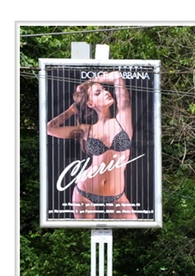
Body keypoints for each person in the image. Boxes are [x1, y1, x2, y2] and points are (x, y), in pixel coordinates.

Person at [46, 71, 137, 220]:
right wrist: (71, 111)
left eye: (105, 89)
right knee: (81, 240)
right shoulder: (85, 130)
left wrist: (88, 82)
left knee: (135, 230)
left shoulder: (123, 119)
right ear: (90, 104)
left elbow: (116, 76)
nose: (106, 92)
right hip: (85, 192)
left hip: (116, 195)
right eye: (98, 93)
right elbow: (50, 128)